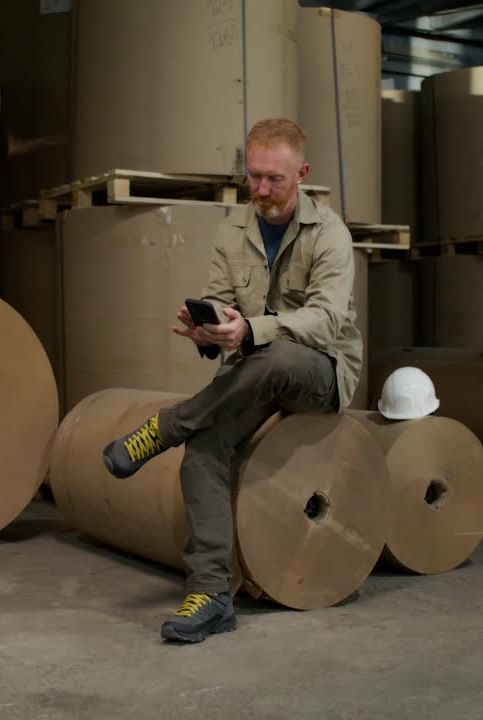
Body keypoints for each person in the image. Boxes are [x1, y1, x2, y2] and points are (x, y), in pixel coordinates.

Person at [100, 118, 362, 643]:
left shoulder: (329, 233)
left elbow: (327, 319)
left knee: (272, 357)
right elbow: (222, 302)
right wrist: (206, 330)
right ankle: (212, 595)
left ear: (302, 174)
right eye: (256, 176)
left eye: (276, 179)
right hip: (252, 373)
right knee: (204, 451)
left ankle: (166, 426)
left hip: (319, 371)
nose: (262, 190)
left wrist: (252, 332)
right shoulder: (232, 230)